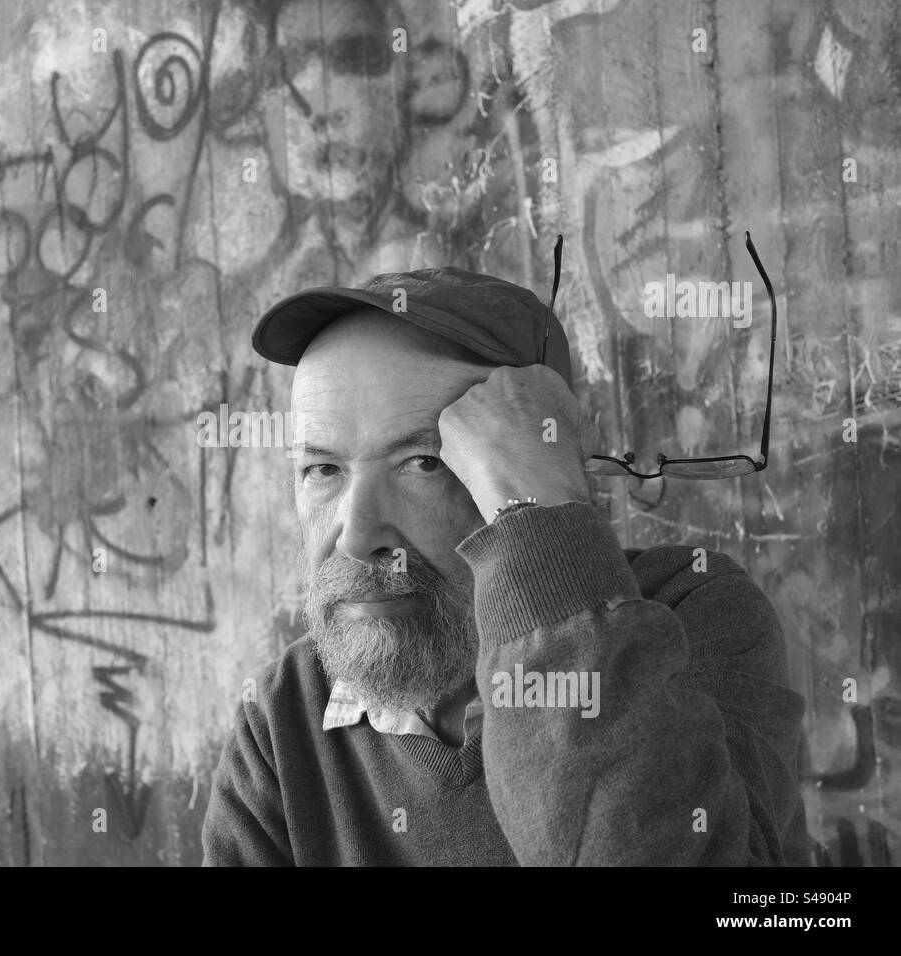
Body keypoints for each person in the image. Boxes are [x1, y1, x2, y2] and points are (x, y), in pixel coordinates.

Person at [200, 264, 809, 865]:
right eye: (322, 470)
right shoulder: (282, 720)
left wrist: (538, 519)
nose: (356, 536)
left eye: (423, 462)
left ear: (530, 454)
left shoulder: (692, 611)